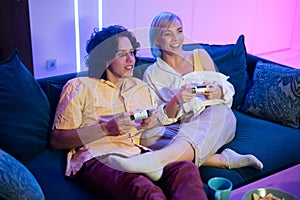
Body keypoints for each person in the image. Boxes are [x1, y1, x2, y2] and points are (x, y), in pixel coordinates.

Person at [50, 25, 208, 200]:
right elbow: (57, 140)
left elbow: (154, 122)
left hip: (140, 155)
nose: (131, 59)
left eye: (132, 53)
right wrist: (106, 129)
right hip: (100, 158)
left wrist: (150, 122)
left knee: (186, 169)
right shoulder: (79, 86)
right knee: (144, 190)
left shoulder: (140, 88)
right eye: (122, 54)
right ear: (104, 59)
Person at [108, 12, 263, 180]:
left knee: (218, 112)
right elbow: (158, 117)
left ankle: (156, 160)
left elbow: (224, 93)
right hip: (182, 126)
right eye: (168, 33)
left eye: (179, 31)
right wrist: (176, 101)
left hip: (215, 119)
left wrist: (217, 90)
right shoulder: (152, 74)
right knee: (145, 136)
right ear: (157, 40)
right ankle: (222, 160)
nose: (176, 38)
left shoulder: (199, 55)